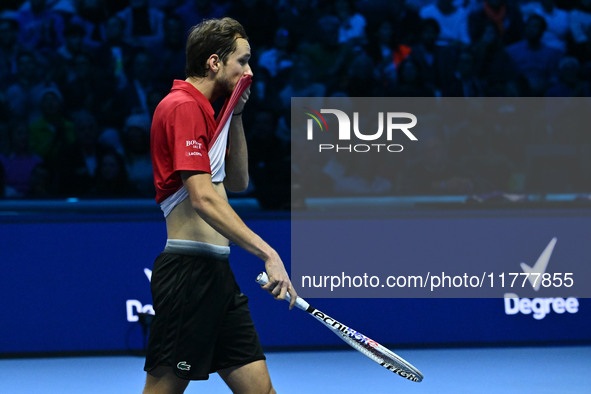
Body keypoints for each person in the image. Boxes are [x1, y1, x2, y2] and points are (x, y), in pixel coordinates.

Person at [143, 17, 296, 394]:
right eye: (242, 61)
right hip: (187, 277)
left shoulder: (210, 111)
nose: (250, 71)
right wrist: (268, 252)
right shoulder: (182, 107)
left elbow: (238, 183)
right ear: (214, 62)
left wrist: (237, 114)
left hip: (217, 276)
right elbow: (203, 197)